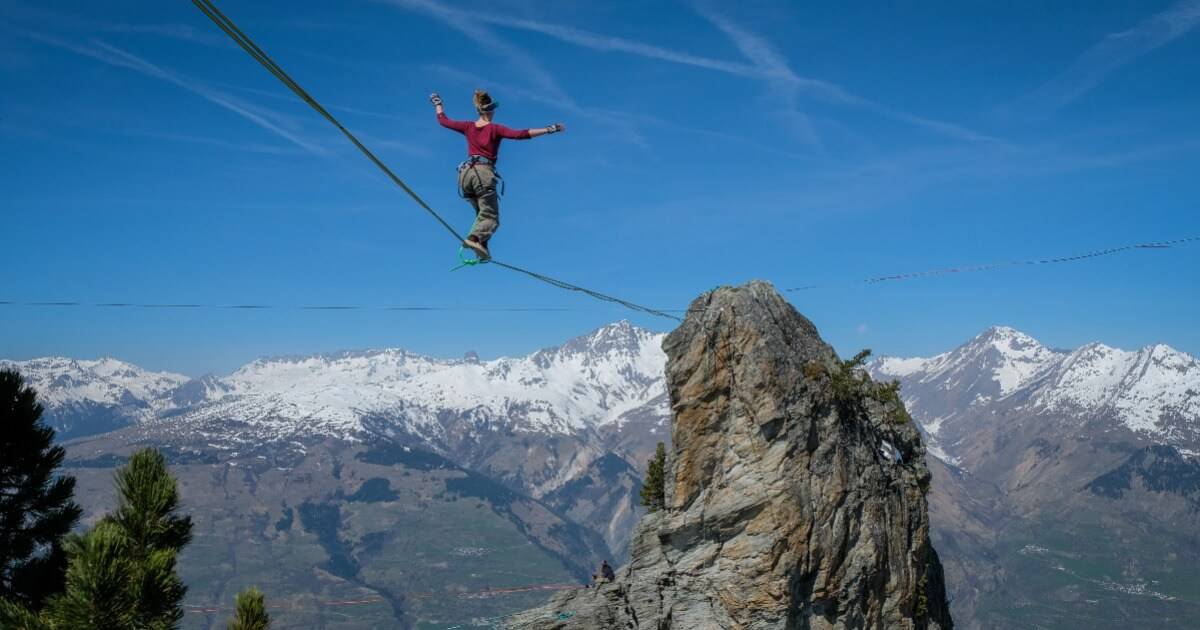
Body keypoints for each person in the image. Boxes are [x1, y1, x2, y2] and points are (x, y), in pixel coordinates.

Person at [431, 89, 565, 260]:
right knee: (491, 216)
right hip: (482, 173)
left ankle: (482, 246)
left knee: (483, 214)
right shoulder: (495, 129)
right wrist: (549, 129)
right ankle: (474, 239)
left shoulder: (468, 127)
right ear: (491, 110)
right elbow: (520, 134)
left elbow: (443, 121)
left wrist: (438, 104)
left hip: (465, 176)